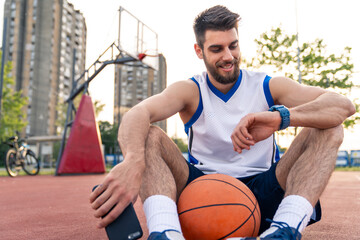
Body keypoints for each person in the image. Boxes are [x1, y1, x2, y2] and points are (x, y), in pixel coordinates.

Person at [90, 5, 355, 240]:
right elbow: (138, 112)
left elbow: (343, 106)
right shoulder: (191, 90)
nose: (228, 56)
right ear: (199, 50)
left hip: (264, 189)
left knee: (329, 125)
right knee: (149, 135)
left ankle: (284, 230)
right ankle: (165, 232)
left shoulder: (267, 85)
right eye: (216, 49)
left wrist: (280, 118)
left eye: (233, 45)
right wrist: (133, 161)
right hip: (200, 192)